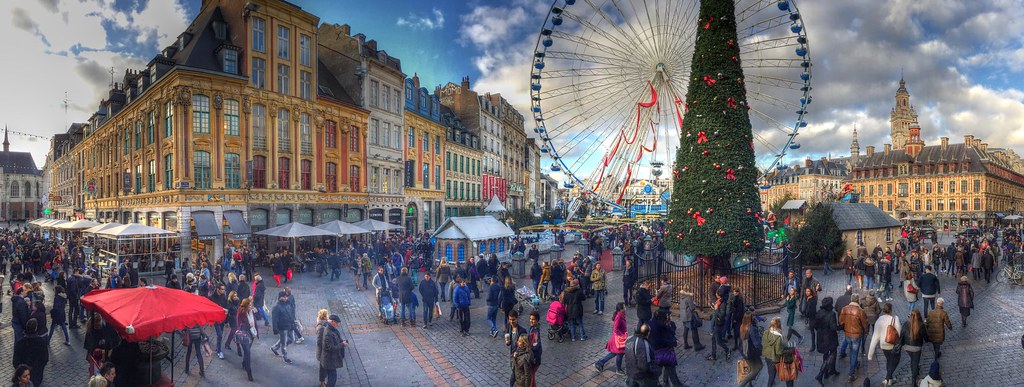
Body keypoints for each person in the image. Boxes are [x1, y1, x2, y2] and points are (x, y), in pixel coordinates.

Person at [867, 303, 901, 386]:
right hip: (892, 344)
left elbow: (875, 337)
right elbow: (899, 332)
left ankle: (890, 380)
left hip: (883, 345)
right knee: (896, 361)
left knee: (889, 361)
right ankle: (887, 379)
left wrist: (870, 354)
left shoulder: (879, 320)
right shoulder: (895, 318)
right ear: (891, 310)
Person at [649, 309, 683, 386]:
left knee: (664, 370)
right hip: (664, 352)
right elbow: (663, 340)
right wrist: (673, 342)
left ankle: (665, 382)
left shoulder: (657, 324)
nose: (670, 317)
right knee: (670, 370)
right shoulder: (662, 327)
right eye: (669, 316)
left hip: (659, 352)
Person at [838, 296, 867, 382]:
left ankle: (855, 363)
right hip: (856, 335)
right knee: (854, 353)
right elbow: (865, 323)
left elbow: (840, 321)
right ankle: (851, 374)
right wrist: (866, 331)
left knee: (852, 351)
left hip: (847, 333)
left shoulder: (844, 309)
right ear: (857, 301)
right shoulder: (860, 311)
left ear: (851, 300)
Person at [12, 319, 48, 387]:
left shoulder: (20, 343)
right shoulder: (41, 342)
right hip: (37, 374)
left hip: (23, 375)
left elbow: (15, 361)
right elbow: (45, 359)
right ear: (36, 328)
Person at [594, 303, 628, 374]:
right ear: (621, 309)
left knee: (613, 353)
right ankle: (618, 370)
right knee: (620, 353)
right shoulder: (619, 317)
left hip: (617, 338)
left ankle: (599, 363)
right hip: (618, 339)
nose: (625, 308)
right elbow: (616, 329)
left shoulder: (621, 315)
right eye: (624, 307)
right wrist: (622, 335)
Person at [814, 297, 839, 384]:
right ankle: (820, 374)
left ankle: (829, 371)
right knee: (832, 354)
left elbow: (815, 325)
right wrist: (840, 327)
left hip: (821, 336)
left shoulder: (819, 312)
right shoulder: (831, 314)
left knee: (825, 354)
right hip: (830, 337)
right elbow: (833, 327)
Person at [318, 315, 347, 387]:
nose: (338, 325)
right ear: (332, 322)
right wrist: (342, 344)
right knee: (332, 377)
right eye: (337, 323)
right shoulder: (328, 333)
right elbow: (331, 348)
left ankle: (322, 381)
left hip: (329, 359)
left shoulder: (332, 329)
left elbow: (336, 338)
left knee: (330, 375)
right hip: (329, 360)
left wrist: (342, 341)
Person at [737, 312, 763, 387]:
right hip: (751, 352)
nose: (754, 317)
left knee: (751, 367)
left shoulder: (742, 326)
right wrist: (762, 350)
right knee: (759, 366)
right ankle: (743, 384)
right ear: (750, 319)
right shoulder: (751, 328)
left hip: (745, 351)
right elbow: (756, 343)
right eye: (753, 316)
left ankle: (750, 384)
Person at [902, 309, 926, 384]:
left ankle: (916, 370)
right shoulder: (921, 325)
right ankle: (913, 381)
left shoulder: (906, 324)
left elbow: (901, 335)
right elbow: (925, 336)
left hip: (906, 347)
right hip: (916, 348)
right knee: (914, 363)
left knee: (913, 360)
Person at [271, 291, 295, 363]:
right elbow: (274, 319)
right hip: (282, 327)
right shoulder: (276, 307)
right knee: (284, 343)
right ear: (280, 297)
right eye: (284, 296)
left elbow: (291, 313)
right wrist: (275, 329)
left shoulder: (288, 303)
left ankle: (274, 347)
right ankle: (285, 357)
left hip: (290, 325)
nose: (286, 298)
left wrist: (293, 321)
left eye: (286, 296)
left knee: (291, 339)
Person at [236, 297, 257, 381]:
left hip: (252, 334)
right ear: (245, 306)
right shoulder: (241, 313)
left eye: (251, 305)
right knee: (248, 353)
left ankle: (244, 363)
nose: (250, 307)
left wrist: (256, 312)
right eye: (249, 306)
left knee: (247, 351)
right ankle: (249, 372)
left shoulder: (251, 311)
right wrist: (249, 325)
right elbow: (239, 325)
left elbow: (255, 320)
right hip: (244, 335)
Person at [761, 317, 785, 387]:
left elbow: (764, 343)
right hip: (774, 358)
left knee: (770, 372)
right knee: (772, 376)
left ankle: (772, 382)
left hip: (767, 356)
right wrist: (783, 350)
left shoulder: (766, 332)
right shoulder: (779, 336)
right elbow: (778, 351)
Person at [208, 283, 229, 359]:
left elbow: (227, 308)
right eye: (222, 289)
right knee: (219, 335)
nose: (224, 290)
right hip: (216, 319)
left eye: (224, 289)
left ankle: (218, 348)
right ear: (218, 289)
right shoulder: (211, 297)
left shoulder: (224, 297)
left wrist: (226, 321)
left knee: (220, 335)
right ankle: (219, 351)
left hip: (222, 319)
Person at [527, 310, 543, 387]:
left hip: (535, 358)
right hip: (533, 356)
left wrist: (528, 347)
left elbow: (536, 346)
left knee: (531, 377)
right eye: (530, 318)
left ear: (537, 320)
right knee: (531, 376)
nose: (531, 320)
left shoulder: (536, 332)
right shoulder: (532, 328)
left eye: (533, 319)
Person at [801, 287, 818, 352]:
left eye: (808, 291)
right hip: (811, 318)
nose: (807, 292)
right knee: (813, 332)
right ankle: (813, 345)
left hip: (813, 318)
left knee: (813, 332)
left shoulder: (812, 300)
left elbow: (811, 310)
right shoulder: (808, 298)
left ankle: (813, 346)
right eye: (806, 291)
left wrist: (806, 315)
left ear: (811, 292)